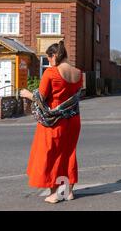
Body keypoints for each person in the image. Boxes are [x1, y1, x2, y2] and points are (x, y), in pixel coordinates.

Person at [20, 41, 83, 204]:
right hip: (73, 119)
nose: (48, 62)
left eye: (49, 58)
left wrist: (27, 94)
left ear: (55, 55)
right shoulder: (78, 73)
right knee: (68, 154)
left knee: (52, 155)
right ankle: (68, 191)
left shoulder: (51, 73)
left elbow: (41, 98)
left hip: (54, 121)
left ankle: (56, 193)